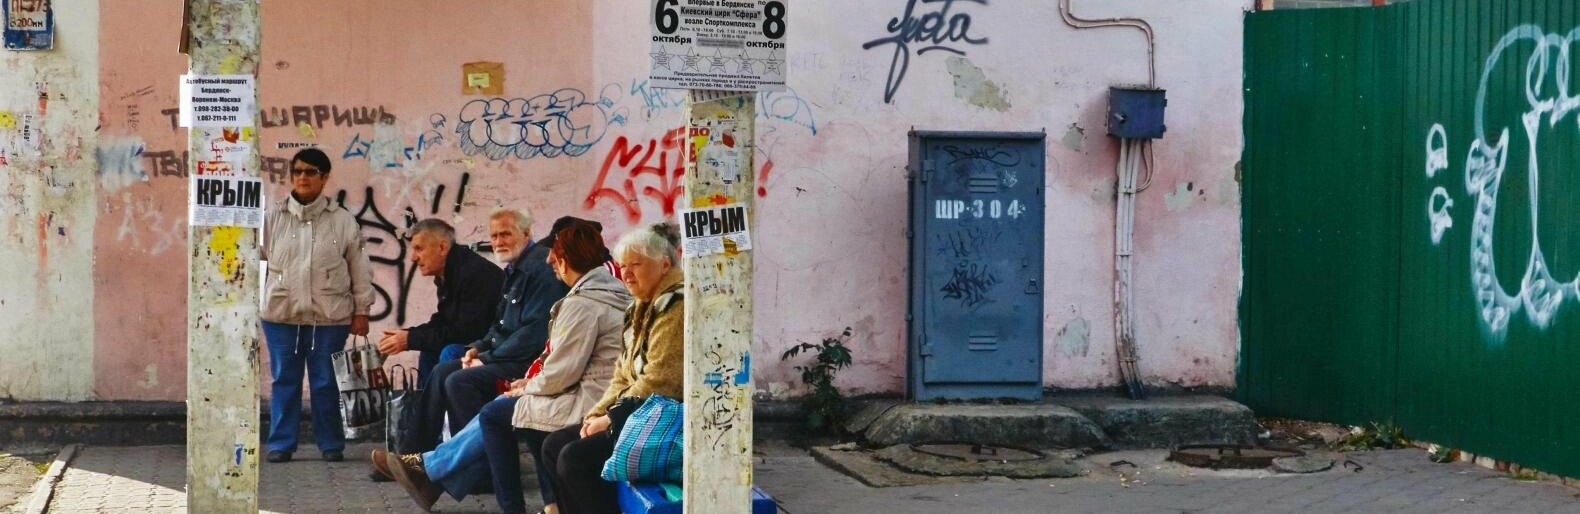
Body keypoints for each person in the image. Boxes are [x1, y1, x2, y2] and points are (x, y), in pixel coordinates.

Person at [376, 221, 631, 514]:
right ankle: (429, 470)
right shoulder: (591, 290)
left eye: (554, 254)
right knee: (467, 381)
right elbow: (512, 333)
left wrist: (522, 383)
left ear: (564, 259)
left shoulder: (579, 300)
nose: (549, 260)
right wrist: (485, 352)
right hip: (578, 386)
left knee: (493, 410)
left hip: (586, 395)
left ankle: (437, 473)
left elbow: (555, 363)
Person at [540, 222, 685, 514]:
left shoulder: (675, 305)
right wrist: (597, 413)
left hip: (666, 419)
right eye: (623, 266)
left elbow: (660, 380)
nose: (626, 273)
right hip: (638, 411)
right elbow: (622, 374)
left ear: (664, 265)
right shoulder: (640, 305)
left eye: (636, 265)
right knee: (553, 445)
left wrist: (610, 420)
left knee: (575, 459)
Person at [404, 210, 571, 458]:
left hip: (531, 363)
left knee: (459, 380)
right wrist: (478, 348)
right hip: (507, 355)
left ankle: (474, 465)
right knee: (443, 371)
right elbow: (499, 324)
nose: (498, 242)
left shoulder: (540, 268)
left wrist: (487, 357)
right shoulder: (515, 268)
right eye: (494, 236)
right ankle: (413, 456)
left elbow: (534, 333)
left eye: (505, 234)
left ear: (526, 234)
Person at [258, 148, 375, 464]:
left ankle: (331, 444)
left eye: (311, 172)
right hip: (281, 317)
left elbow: (359, 268)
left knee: (326, 382)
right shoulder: (273, 217)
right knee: (284, 381)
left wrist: (362, 311)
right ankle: (281, 444)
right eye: (297, 171)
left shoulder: (342, 220)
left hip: (329, 318)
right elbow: (256, 263)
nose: (302, 177)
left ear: (324, 178)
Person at [376, 218, 502, 382]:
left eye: (419, 249)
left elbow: (466, 332)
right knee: (429, 349)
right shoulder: (449, 272)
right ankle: (427, 398)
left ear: (442, 248)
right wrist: (408, 335)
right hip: (475, 341)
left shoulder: (474, 273)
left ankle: (441, 398)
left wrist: (411, 339)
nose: (413, 257)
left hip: (496, 347)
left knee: (449, 351)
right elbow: (444, 321)